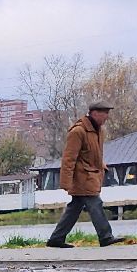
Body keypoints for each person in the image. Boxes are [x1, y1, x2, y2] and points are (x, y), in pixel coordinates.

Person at [46, 101, 120, 249]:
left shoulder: (99, 131)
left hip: (91, 176)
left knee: (74, 208)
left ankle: (56, 238)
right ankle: (105, 236)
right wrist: (65, 182)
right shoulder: (78, 131)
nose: (107, 117)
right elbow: (69, 158)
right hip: (82, 178)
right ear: (94, 113)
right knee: (95, 203)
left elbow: (93, 153)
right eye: (104, 113)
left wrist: (101, 164)